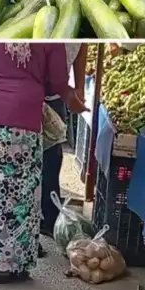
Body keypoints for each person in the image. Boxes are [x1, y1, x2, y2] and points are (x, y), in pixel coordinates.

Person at [0, 15, 86, 284]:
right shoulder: (50, 23)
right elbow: (56, 81)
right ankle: (6, 266)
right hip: (22, 113)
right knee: (15, 192)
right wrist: (72, 98)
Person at [41, 44, 88, 237]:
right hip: (35, 92)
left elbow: (81, 46)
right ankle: (36, 224)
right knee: (32, 163)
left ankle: (49, 218)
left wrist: (79, 86)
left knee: (52, 159)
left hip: (55, 95)